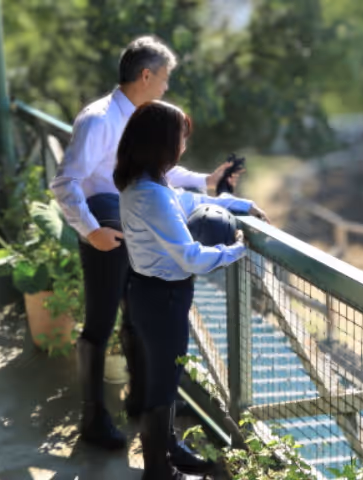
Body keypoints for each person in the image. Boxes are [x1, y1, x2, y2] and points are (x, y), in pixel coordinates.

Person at [49, 36, 241, 462]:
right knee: (100, 322)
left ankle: (144, 409)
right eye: (165, 78)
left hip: (133, 229)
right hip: (105, 233)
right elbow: (65, 182)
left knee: (136, 318)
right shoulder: (98, 119)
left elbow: (156, 171)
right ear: (146, 74)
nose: (167, 86)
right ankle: (93, 418)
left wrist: (206, 182)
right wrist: (91, 231)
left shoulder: (140, 119)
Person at [116, 100, 268, 479]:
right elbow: (191, 257)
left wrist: (241, 204)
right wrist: (237, 250)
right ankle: (158, 471)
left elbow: (191, 200)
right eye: (181, 138)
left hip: (150, 293)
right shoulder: (151, 193)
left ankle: (169, 450)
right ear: (162, 143)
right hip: (162, 298)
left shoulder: (146, 183)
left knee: (162, 378)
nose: (184, 145)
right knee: (163, 384)